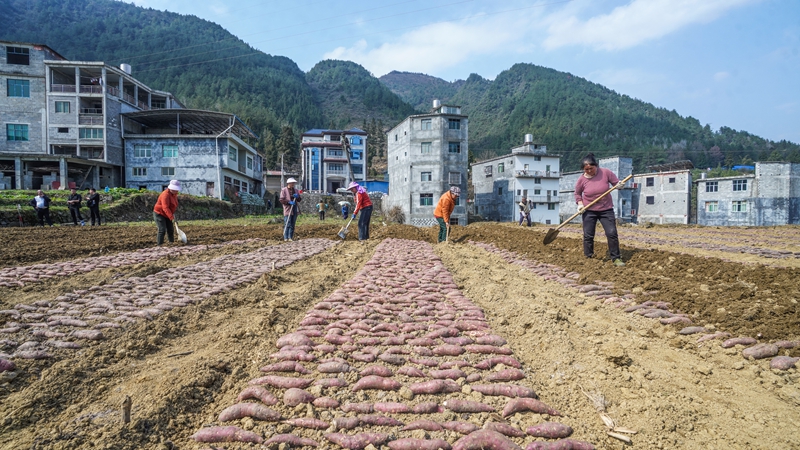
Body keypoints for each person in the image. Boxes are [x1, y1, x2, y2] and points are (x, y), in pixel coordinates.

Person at [574, 153, 626, 266]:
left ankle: (616, 258)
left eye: (591, 168)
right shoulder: (581, 180)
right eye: (586, 169)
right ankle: (589, 256)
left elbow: (616, 183)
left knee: (611, 233)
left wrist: (619, 185)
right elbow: (577, 194)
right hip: (589, 210)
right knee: (588, 234)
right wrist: (580, 204)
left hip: (606, 209)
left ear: (596, 166)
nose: (589, 171)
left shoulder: (605, 172)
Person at [153, 180, 181, 245]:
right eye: (174, 189)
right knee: (162, 230)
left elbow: (173, 205)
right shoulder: (165, 195)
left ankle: (171, 243)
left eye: (176, 190)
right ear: (170, 188)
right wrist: (171, 217)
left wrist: (172, 215)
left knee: (171, 229)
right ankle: (160, 245)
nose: (176, 191)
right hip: (159, 213)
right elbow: (165, 207)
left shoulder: (174, 195)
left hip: (168, 214)